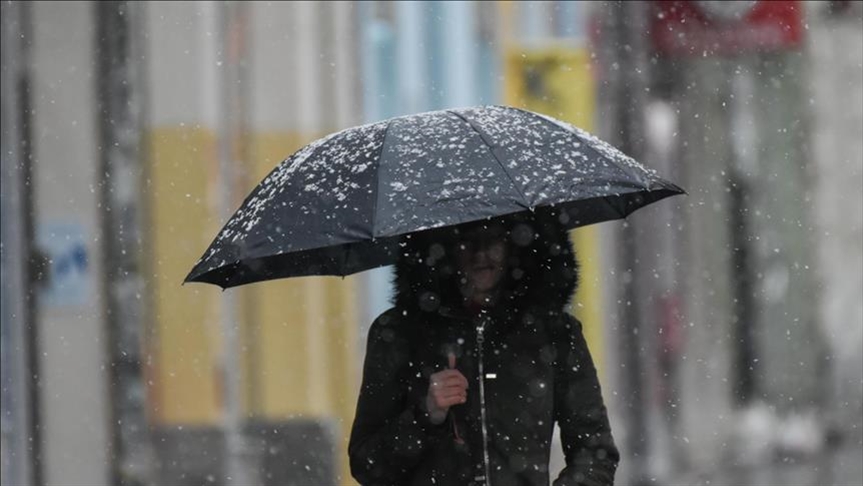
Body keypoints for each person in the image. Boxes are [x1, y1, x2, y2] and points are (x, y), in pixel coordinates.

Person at [348, 210, 619, 486]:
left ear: (516, 244)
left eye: (493, 239)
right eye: (466, 241)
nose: (480, 254)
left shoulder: (554, 333)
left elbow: (595, 452)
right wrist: (424, 415)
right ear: (444, 249)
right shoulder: (399, 333)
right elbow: (367, 466)